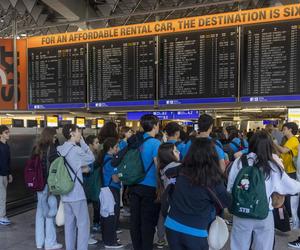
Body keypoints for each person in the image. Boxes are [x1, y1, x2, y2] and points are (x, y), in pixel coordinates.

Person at [227, 131, 300, 250]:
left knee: (239, 246)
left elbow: (230, 187)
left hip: (241, 213)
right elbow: (290, 186)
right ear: (269, 146)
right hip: (264, 213)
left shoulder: (239, 161)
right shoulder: (272, 165)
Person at [165, 138, 231, 250]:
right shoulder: (213, 180)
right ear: (212, 156)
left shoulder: (181, 170)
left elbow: (167, 172)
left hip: (172, 225)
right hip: (196, 231)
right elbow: (226, 202)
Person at [57, 124, 95, 250]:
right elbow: (91, 158)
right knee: (83, 225)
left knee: (69, 226)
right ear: (71, 133)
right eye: (79, 132)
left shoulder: (60, 149)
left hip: (65, 194)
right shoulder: (76, 150)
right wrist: (83, 143)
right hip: (77, 193)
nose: (80, 135)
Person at [129, 114, 161, 250]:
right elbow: (158, 166)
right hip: (150, 188)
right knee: (147, 223)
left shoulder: (135, 141)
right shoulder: (155, 143)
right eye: (158, 124)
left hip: (134, 186)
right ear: (154, 126)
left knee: (135, 221)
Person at [33, 127, 62, 249]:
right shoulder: (52, 149)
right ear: (51, 136)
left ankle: (39, 243)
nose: (56, 138)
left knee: (40, 214)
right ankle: (50, 243)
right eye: (55, 136)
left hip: (39, 185)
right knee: (50, 213)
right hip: (48, 186)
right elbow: (53, 170)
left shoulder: (36, 148)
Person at [274, 122, 299, 229]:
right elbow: (281, 153)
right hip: (287, 170)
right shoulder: (288, 141)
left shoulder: (293, 140)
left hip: (291, 171)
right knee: (287, 194)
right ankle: (290, 215)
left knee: (289, 195)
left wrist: (273, 143)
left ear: (290, 130)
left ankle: (291, 216)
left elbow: (283, 150)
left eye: (284, 129)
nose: (282, 131)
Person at [156, 143, 181, 249]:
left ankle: (161, 239)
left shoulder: (162, 167)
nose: (179, 152)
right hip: (175, 201)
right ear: (168, 155)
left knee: (162, 216)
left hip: (166, 199)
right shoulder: (176, 167)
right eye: (176, 151)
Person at [100, 137, 123, 249]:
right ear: (110, 148)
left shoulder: (105, 157)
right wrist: (122, 174)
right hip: (112, 190)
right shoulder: (111, 161)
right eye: (116, 147)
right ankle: (111, 242)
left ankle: (108, 238)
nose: (118, 149)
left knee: (106, 215)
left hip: (105, 190)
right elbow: (115, 179)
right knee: (112, 216)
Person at [84, 135, 100, 244]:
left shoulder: (95, 155)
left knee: (90, 210)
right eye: (96, 142)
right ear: (90, 144)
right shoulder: (87, 156)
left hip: (92, 186)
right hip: (88, 187)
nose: (98, 144)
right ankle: (86, 235)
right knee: (87, 212)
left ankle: (88, 232)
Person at [0, 125, 13, 225]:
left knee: (3, 196)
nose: (8, 134)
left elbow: (8, 161)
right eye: (6, 133)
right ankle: (2, 216)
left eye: (8, 132)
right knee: (2, 196)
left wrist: (9, 174)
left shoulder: (7, 145)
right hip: (0, 175)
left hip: (5, 174)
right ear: (1, 134)